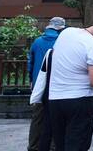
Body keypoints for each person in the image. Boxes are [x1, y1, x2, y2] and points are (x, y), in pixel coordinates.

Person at [48, 19, 93, 151]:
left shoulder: (66, 33)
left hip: (55, 99)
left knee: (61, 144)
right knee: (77, 144)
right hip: (80, 100)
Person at [27, 17, 65, 151]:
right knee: (56, 118)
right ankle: (53, 146)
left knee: (37, 118)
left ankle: (33, 146)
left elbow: (30, 62)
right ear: (60, 29)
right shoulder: (61, 42)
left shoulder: (37, 42)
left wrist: (31, 80)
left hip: (38, 84)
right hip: (56, 86)